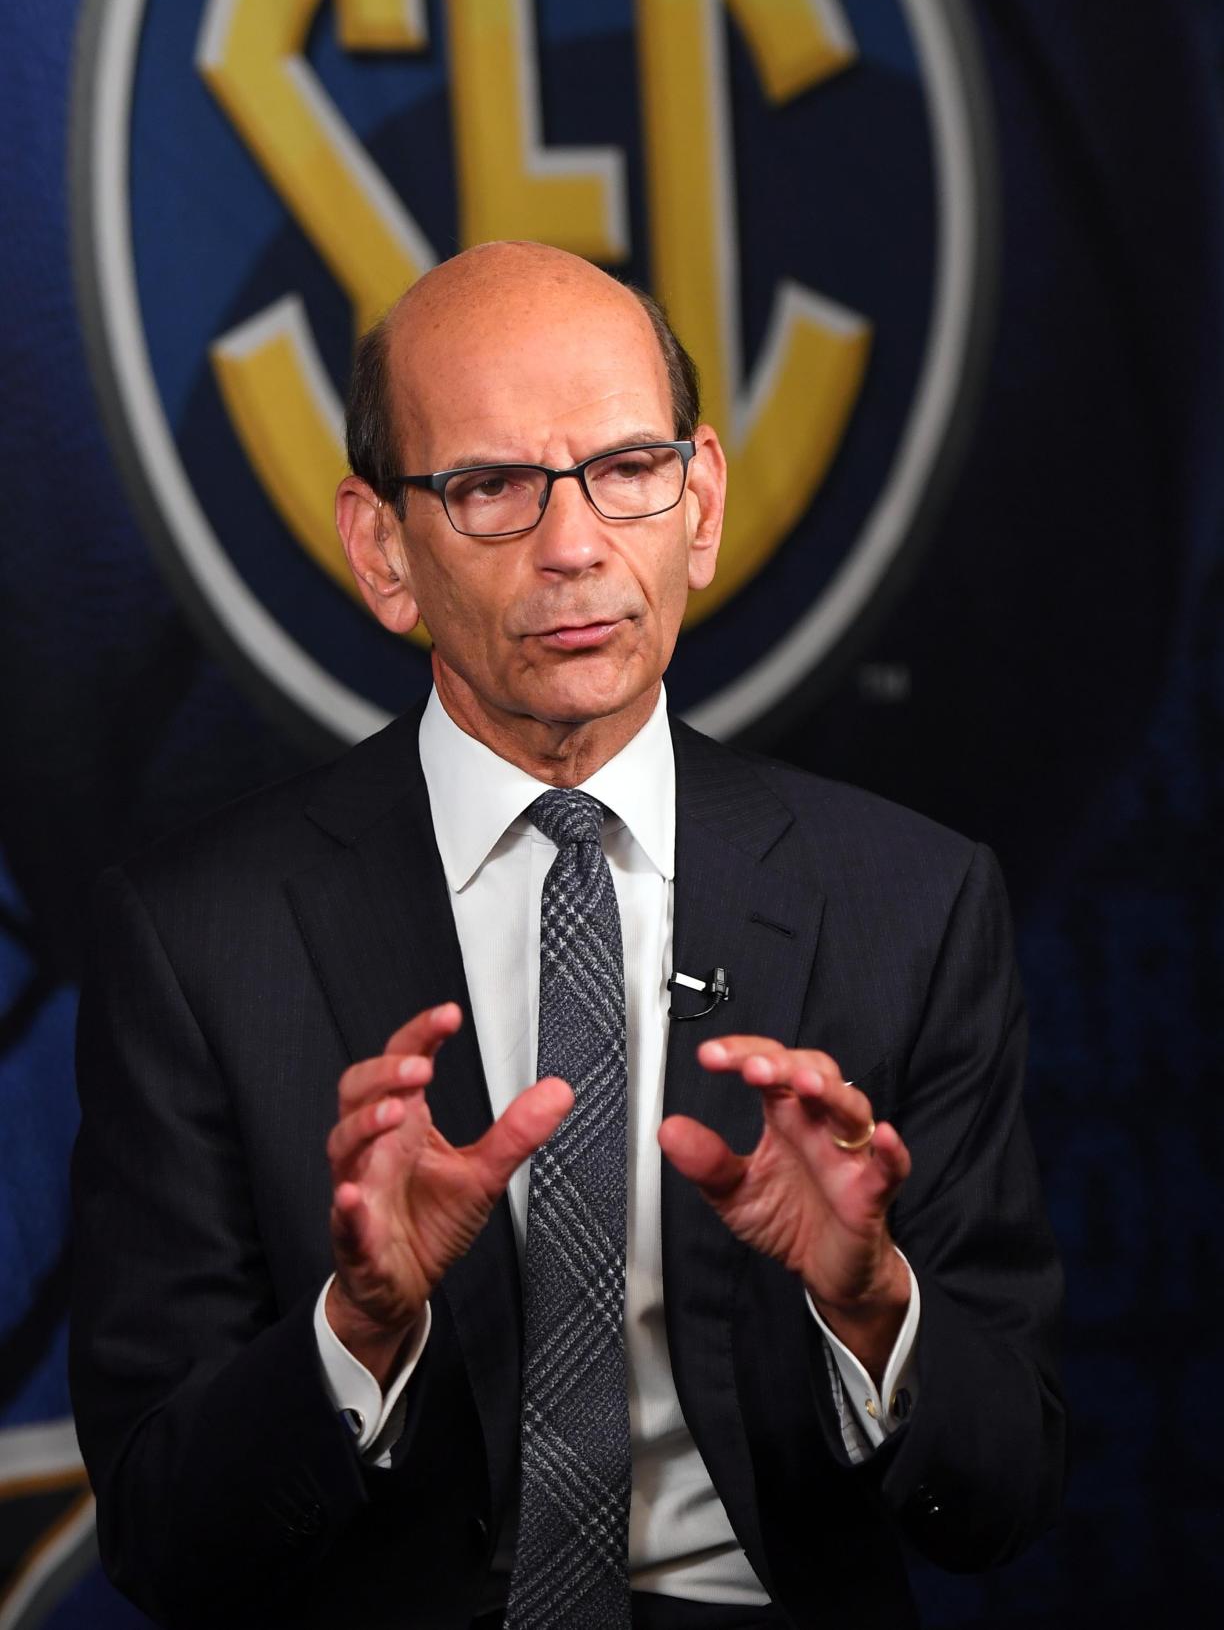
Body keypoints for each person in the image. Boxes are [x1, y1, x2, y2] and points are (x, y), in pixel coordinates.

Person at [70, 242, 1064, 1630]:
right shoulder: (197, 937)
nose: (577, 543)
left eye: (627, 469)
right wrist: (357, 1328)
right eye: (489, 488)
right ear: (381, 549)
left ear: (700, 501)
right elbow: (164, 1532)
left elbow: (1002, 1495)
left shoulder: (910, 899)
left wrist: (869, 1304)